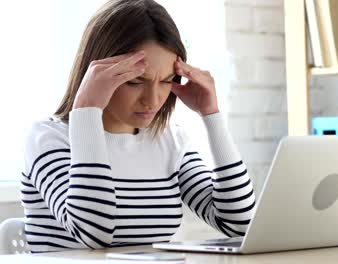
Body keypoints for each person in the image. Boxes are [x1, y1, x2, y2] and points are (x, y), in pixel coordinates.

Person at [21, 0, 255, 253]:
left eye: (166, 81)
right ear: (96, 73)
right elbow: (93, 233)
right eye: (135, 82)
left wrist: (212, 117)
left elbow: (239, 223)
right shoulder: (48, 138)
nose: (153, 100)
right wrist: (86, 111)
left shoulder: (170, 141)